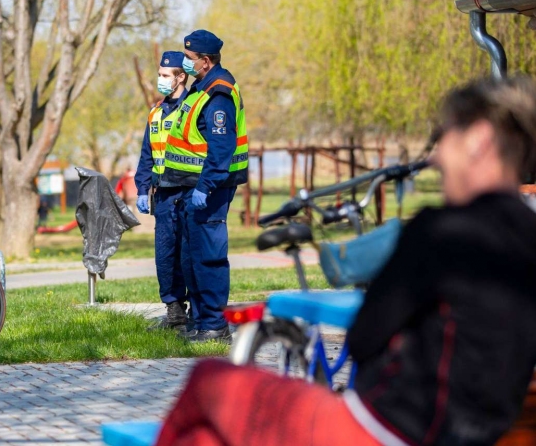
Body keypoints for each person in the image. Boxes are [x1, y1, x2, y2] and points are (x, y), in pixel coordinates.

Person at [156, 76, 536, 445]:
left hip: (385, 430)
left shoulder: (443, 231)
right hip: (472, 433)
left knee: (208, 377)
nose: (436, 157)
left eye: (443, 137)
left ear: (479, 140)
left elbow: (364, 337)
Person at [160, 30, 248, 342]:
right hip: (192, 188)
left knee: (208, 256)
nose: (186, 63)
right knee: (191, 255)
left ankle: (215, 325)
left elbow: (221, 148)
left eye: (190, 58)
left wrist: (206, 186)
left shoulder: (219, 93)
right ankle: (199, 320)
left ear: (205, 61)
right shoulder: (203, 86)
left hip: (210, 189)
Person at [135, 51, 190, 330]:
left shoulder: (192, 108)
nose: (160, 79)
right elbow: (147, 154)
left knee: (189, 252)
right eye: (160, 74)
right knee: (165, 253)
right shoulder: (155, 112)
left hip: (190, 191)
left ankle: (201, 311)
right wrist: (142, 188)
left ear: (181, 77)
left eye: (166, 75)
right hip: (164, 194)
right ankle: (174, 310)